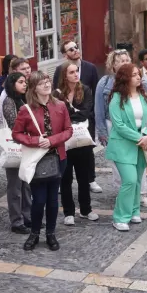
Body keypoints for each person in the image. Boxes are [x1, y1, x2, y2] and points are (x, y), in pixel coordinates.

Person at [12, 71, 73, 251]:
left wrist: (52, 140)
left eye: (47, 81)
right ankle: (35, 233)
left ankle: (51, 234)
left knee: (53, 200)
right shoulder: (26, 109)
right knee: (38, 200)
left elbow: (68, 130)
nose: (46, 85)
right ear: (34, 88)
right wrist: (35, 141)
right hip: (37, 159)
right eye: (41, 83)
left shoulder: (60, 105)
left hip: (57, 157)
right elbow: (16, 134)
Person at [95, 50, 147, 208]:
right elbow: (99, 110)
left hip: (139, 127)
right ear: (113, 65)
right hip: (113, 126)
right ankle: (123, 193)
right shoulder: (105, 83)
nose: (125, 62)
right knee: (119, 165)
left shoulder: (138, 79)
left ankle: (141, 194)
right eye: (121, 60)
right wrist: (102, 132)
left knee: (140, 163)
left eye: (127, 59)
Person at [106, 63, 147, 232]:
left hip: (141, 144)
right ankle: (120, 217)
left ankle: (134, 210)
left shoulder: (145, 96)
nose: (138, 77)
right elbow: (118, 125)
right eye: (134, 74)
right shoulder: (116, 98)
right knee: (128, 180)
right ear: (125, 78)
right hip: (123, 145)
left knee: (136, 180)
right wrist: (139, 138)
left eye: (138, 74)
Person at [52, 39, 102, 194]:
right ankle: (63, 180)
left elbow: (95, 90)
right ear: (65, 54)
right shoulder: (60, 69)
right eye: (70, 49)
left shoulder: (90, 67)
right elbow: (55, 93)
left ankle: (90, 179)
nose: (75, 50)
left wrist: (91, 113)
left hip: (86, 118)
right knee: (65, 150)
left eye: (76, 47)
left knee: (88, 149)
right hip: (65, 121)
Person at [54, 60, 98, 225]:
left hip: (82, 139)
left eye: (76, 71)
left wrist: (70, 114)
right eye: (71, 72)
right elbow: (58, 116)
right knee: (65, 178)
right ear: (64, 75)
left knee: (83, 177)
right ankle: (68, 212)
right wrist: (72, 116)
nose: (75, 74)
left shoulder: (85, 90)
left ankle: (86, 209)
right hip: (65, 140)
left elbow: (86, 113)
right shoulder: (57, 94)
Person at [2, 72, 33, 234]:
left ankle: (27, 217)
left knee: (26, 184)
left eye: (25, 82)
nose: (24, 84)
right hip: (15, 146)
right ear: (12, 83)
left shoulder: (23, 98)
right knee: (15, 186)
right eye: (21, 82)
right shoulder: (9, 100)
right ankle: (16, 221)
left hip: (26, 145)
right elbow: (14, 123)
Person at [0, 57, 32, 127]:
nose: (27, 71)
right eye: (23, 69)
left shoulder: (31, 84)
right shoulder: (6, 92)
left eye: (28, 68)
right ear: (14, 71)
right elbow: (3, 118)